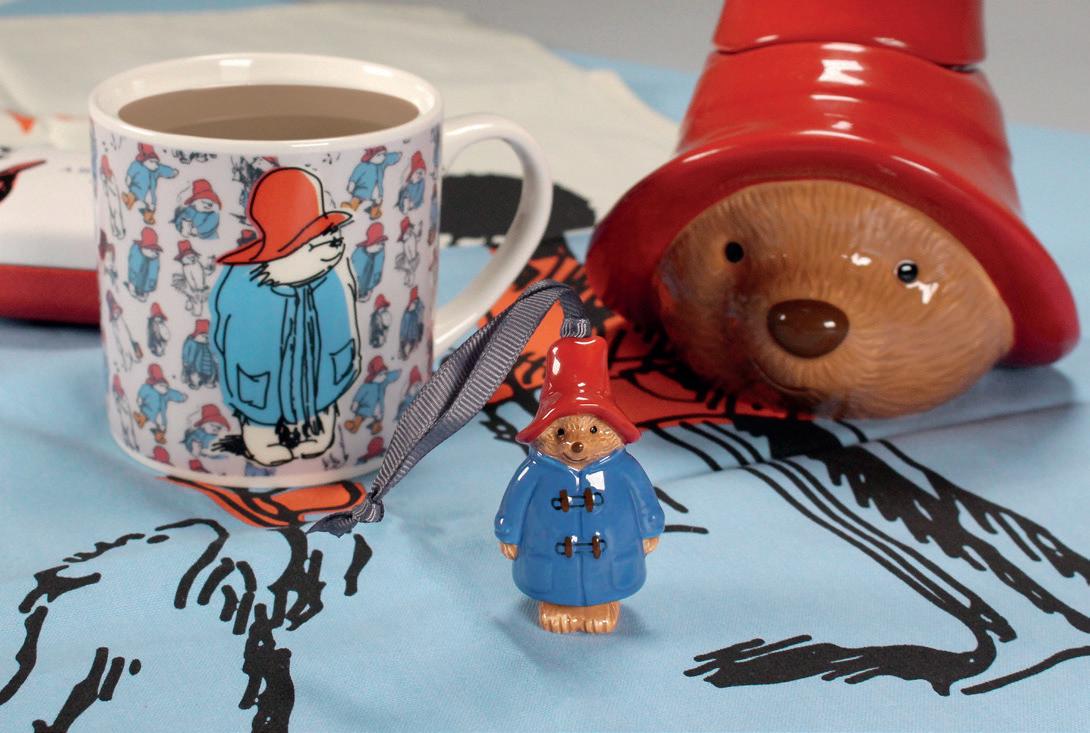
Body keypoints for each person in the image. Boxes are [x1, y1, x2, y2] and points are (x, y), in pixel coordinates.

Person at [211, 167, 360, 466]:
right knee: (262, 405)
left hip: (323, 367)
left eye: (331, 234)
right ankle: (263, 438)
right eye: (318, 237)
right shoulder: (244, 284)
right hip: (260, 373)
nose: (335, 243)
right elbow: (224, 331)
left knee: (322, 393)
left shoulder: (331, 277)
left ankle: (315, 431)